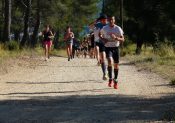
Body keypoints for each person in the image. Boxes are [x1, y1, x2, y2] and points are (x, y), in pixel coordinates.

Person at [100, 16, 124, 89]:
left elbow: (123, 39)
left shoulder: (118, 28)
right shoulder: (105, 28)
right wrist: (103, 39)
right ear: (108, 20)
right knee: (110, 61)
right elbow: (99, 35)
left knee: (116, 65)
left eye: (112, 19)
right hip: (108, 47)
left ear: (114, 20)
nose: (111, 21)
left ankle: (115, 80)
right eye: (109, 20)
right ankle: (110, 79)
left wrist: (116, 38)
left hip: (116, 48)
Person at [94, 14, 108, 80]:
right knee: (103, 58)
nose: (104, 21)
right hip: (100, 42)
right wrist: (96, 21)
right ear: (101, 20)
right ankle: (105, 73)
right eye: (103, 20)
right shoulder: (99, 24)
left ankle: (107, 70)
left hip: (109, 43)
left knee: (107, 59)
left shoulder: (109, 24)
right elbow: (90, 26)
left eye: (105, 20)